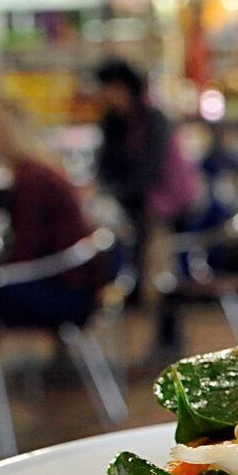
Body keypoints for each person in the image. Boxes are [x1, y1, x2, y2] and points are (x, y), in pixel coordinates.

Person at [0, 97, 104, 328]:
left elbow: (27, 246)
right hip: (71, 282)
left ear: (5, 134)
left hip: (64, 290)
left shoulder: (32, 179)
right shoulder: (38, 170)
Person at [93, 60, 174, 301]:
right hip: (127, 203)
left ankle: (157, 315)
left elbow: (153, 168)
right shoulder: (112, 121)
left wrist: (117, 191)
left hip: (158, 202)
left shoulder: (151, 118)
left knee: (158, 269)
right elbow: (105, 164)